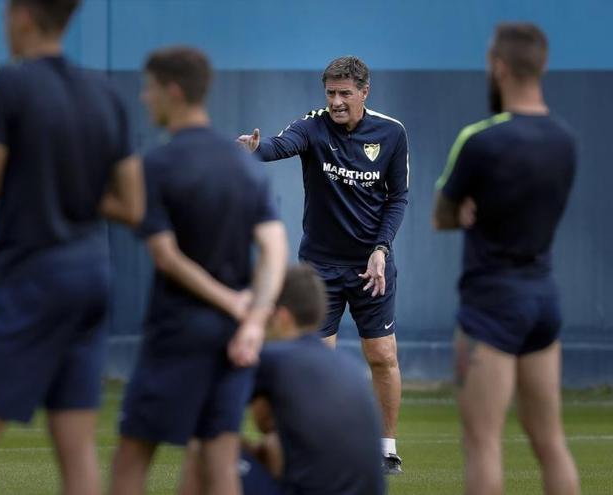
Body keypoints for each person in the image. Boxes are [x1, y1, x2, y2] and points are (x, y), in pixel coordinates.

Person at [0, 1, 144, 494]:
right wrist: (75, 189)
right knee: (75, 446)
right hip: (92, 278)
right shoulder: (106, 94)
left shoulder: (8, 84)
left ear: (23, 16)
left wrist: (35, 179)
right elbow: (134, 206)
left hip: (33, 277)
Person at [109, 46, 288, 495]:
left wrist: (234, 304)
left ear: (173, 90)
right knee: (220, 463)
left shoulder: (158, 164)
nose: (145, 98)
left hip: (177, 331)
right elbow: (275, 247)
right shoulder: (244, 167)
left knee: (131, 459)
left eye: (149, 89)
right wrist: (252, 318)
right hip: (233, 338)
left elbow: (166, 255)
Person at [238, 55, 408, 473]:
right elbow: (281, 145)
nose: (335, 101)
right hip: (319, 270)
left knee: (383, 355)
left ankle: (386, 448)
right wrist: (256, 149)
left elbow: (397, 197)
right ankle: (315, 445)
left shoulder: (391, 133)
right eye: (330, 93)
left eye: (344, 94)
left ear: (364, 93)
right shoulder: (312, 126)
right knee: (314, 359)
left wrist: (381, 248)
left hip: (372, 267)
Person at [433, 22, 580, 495]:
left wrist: (466, 210)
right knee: (551, 441)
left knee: (482, 443)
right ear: (542, 64)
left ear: (498, 67)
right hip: (543, 299)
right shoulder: (565, 141)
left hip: (492, 301)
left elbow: (442, 214)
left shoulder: (481, 140)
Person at [182, 264, 386, 495]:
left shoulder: (273, 358)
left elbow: (203, 408)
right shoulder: (351, 367)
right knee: (270, 446)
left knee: (204, 448)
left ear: (281, 317)